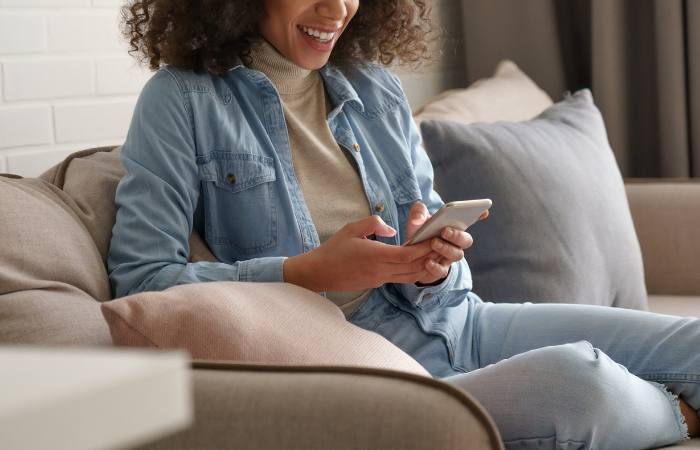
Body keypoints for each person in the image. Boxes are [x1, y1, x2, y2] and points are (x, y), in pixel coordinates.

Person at [108, 0, 700, 448]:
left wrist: (434, 262)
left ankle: (654, 407)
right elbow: (141, 281)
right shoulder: (180, 101)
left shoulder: (376, 88)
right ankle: (680, 414)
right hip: (370, 367)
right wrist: (301, 273)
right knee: (579, 381)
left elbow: (450, 279)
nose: (337, 9)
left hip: (459, 323)